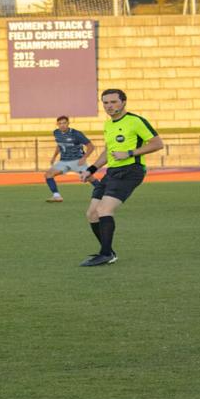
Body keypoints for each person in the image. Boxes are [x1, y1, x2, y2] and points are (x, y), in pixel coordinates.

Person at [76, 89, 163, 267]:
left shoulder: (135, 121)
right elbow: (108, 151)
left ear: (123, 102)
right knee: (92, 214)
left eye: (114, 102)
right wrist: (91, 169)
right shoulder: (108, 125)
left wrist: (130, 153)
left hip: (131, 170)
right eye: (106, 103)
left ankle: (106, 254)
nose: (109, 106)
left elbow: (157, 143)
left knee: (104, 210)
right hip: (112, 172)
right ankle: (108, 252)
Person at [44, 115, 92, 203]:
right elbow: (59, 145)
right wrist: (54, 157)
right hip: (64, 161)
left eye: (64, 123)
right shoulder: (56, 133)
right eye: (60, 123)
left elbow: (91, 146)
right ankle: (57, 196)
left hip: (77, 161)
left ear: (68, 123)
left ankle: (105, 194)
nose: (62, 125)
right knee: (48, 174)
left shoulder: (76, 133)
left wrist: (84, 158)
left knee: (89, 178)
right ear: (57, 124)